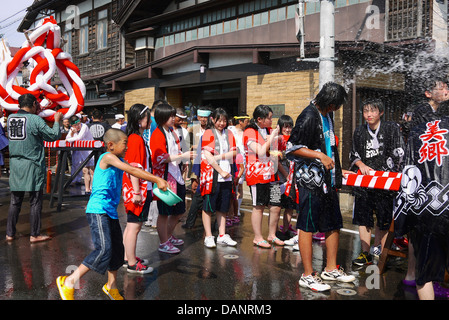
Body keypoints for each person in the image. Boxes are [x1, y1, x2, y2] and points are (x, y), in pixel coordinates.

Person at [56, 128, 168, 300]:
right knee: (104, 250)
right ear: (110, 145)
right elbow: (132, 171)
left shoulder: (119, 159)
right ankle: (69, 281)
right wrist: (157, 179)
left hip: (111, 212)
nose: (127, 147)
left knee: (117, 251)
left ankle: (111, 286)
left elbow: (133, 171)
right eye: (125, 144)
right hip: (98, 211)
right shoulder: (107, 157)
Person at [286, 82, 356, 291]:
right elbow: (291, 149)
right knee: (307, 226)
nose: (337, 109)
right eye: (337, 105)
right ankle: (307, 275)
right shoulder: (308, 116)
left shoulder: (327, 115)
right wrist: (319, 155)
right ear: (330, 102)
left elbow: (329, 146)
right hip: (310, 182)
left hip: (329, 180)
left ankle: (331, 268)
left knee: (333, 223)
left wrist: (338, 170)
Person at [349, 99, 405, 266]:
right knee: (363, 217)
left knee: (384, 218)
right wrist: (361, 165)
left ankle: (380, 250)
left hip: (385, 182)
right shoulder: (359, 131)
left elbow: (400, 153)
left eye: (373, 111)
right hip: (365, 181)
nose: (369, 114)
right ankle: (365, 253)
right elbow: (354, 155)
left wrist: (394, 174)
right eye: (366, 111)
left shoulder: (391, 129)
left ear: (380, 112)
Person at [6, 93, 62, 243]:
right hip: (32, 164)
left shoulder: (11, 119)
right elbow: (53, 135)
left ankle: (10, 233)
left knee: (15, 201)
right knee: (35, 200)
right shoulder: (35, 119)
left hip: (16, 164)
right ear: (33, 105)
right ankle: (34, 234)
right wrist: (56, 121)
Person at [150, 103, 195, 253]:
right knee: (164, 213)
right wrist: (183, 156)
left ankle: (168, 236)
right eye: (170, 116)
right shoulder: (157, 133)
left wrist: (184, 159)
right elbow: (159, 158)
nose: (173, 118)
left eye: (173, 115)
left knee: (179, 210)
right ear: (162, 117)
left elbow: (176, 151)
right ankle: (164, 242)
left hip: (176, 176)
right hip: (165, 178)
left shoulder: (170, 131)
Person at [243, 104, 284, 248]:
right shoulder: (249, 131)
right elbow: (260, 151)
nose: (271, 121)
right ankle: (258, 237)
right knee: (259, 206)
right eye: (269, 118)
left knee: (276, 205)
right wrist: (272, 137)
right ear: (259, 119)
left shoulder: (268, 130)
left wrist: (277, 142)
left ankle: (272, 235)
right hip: (257, 174)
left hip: (271, 173)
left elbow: (273, 150)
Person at [122, 104, 154, 274]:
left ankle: (128, 257)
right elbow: (134, 168)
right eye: (147, 116)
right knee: (134, 226)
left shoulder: (135, 137)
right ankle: (132, 262)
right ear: (139, 120)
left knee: (131, 225)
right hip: (138, 189)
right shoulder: (135, 139)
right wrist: (137, 192)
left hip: (137, 188)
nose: (150, 119)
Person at [200, 108, 238, 248]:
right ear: (213, 120)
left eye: (224, 120)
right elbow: (207, 156)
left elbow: (234, 152)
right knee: (208, 207)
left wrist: (219, 157)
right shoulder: (209, 133)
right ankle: (209, 236)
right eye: (219, 120)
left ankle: (222, 234)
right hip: (213, 176)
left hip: (226, 175)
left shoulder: (229, 133)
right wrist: (220, 170)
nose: (222, 123)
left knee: (223, 207)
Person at [181, 107, 211, 229]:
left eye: (205, 117)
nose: (203, 119)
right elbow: (186, 146)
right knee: (195, 188)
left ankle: (205, 211)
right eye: (201, 117)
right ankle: (196, 211)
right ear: (197, 117)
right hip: (196, 163)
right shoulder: (193, 129)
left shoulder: (212, 129)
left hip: (209, 164)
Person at [275, 115, 298, 242]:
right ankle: (275, 231)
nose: (288, 129)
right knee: (277, 207)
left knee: (289, 206)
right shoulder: (277, 140)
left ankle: (286, 229)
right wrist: (286, 175)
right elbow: (276, 161)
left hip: (291, 177)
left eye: (290, 127)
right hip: (280, 178)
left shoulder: (293, 140)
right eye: (285, 127)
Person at [228, 114, 250, 222]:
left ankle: (237, 210)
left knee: (239, 185)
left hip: (241, 160)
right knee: (231, 188)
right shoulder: (230, 130)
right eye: (246, 121)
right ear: (240, 121)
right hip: (231, 160)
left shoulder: (246, 132)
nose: (248, 123)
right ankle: (230, 212)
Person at [66, 115, 95, 194]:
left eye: (78, 124)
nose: (78, 126)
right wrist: (72, 133)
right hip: (82, 152)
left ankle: (93, 188)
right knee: (85, 171)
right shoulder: (72, 129)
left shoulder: (84, 126)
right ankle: (87, 189)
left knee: (92, 171)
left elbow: (79, 137)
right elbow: (68, 137)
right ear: (72, 125)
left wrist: (68, 140)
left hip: (90, 150)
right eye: (75, 125)